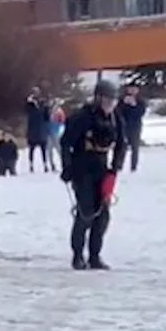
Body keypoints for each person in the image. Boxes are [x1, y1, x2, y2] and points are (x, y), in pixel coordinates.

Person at [60, 80, 126, 270]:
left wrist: (115, 167)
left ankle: (95, 255)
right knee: (86, 213)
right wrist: (67, 167)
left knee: (103, 215)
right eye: (107, 100)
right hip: (82, 168)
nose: (110, 105)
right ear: (98, 99)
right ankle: (78, 255)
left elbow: (122, 144)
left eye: (113, 101)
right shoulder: (82, 117)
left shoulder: (115, 119)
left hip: (102, 168)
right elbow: (65, 143)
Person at [117, 84, 146, 172]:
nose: (132, 91)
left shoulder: (140, 101)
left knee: (135, 148)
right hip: (124, 127)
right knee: (122, 147)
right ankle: (119, 166)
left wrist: (134, 105)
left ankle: (133, 167)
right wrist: (124, 104)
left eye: (134, 89)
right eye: (130, 89)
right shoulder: (122, 99)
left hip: (135, 127)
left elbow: (141, 113)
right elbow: (118, 112)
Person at [25, 87, 52, 173]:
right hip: (33, 129)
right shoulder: (30, 104)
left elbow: (46, 117)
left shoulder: (42, 103)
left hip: (41, 129)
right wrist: (30, 103)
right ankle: (31, 165)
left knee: (43, 149)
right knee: (31, 149)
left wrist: (48, 108)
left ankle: (45, 164)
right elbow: (27, 112)